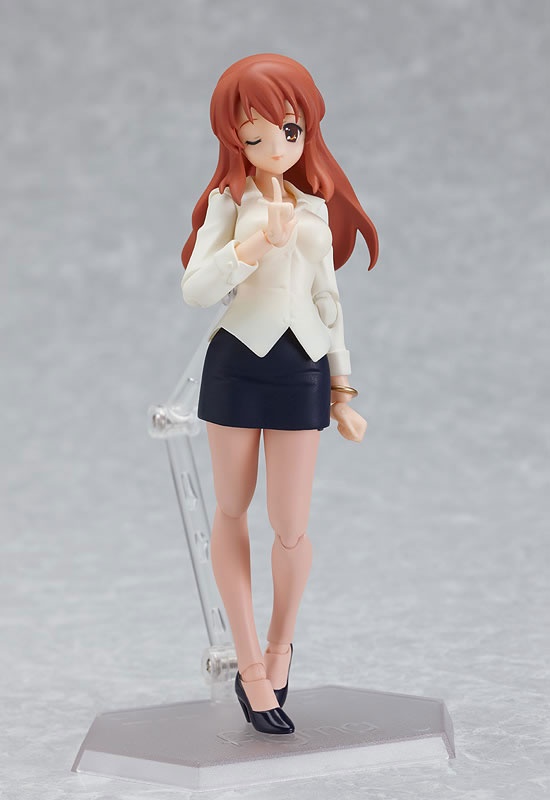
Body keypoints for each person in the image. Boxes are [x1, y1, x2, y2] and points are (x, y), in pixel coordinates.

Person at [181, 53, 378, 734]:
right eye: (255, 133)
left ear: (306, 131)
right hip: (237, 361)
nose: (274, 145)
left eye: (288, 130)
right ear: (233, 136)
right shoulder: (227, 203)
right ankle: (248, 665)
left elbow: (330, 300)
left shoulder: (315, 207)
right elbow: (195, 289)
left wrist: (343, 389)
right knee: (231, 510)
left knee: (291, 525)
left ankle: (280, 646)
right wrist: (251, 248)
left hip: (303, 367)